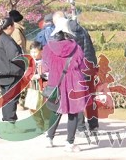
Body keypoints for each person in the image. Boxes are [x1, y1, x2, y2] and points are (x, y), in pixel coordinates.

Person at [43, 18, 90, 152]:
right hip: (74, 84)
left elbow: (45, 68)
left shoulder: (48, 48)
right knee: (73, 113)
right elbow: (82, 65)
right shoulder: (76, 47)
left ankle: (49, 138)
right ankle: (69, 143)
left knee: (55, 111)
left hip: (55, 82)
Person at [0, 17, 26, 124]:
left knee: (7, 98)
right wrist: (25, 63)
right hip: (11, 73)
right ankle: (10, 120)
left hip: (3, 73)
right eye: (13, 25)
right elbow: (14, 56)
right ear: (9, 27)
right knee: (11, 99)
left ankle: (7, 119)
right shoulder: (7, 40)